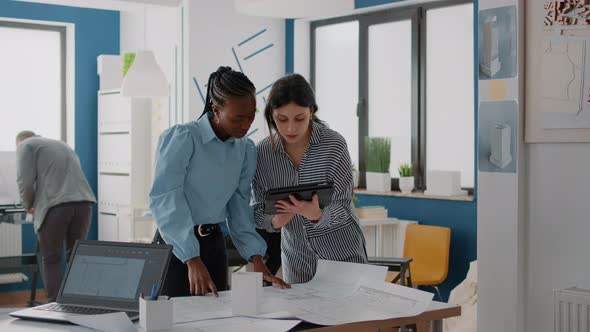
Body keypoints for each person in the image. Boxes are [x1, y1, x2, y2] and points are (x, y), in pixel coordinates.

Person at [149, 66, 289, 297]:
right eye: (238, 118)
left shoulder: (245, 149)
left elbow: (239, 207)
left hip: (214, 246)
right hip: (175, 248)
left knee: (217, 320)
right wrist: (191, 259)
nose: (246, 124)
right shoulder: (184, 138)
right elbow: (165, 199)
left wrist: (256, 259)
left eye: (251, 115)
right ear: (216, 109)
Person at [252, 73, 368, 284]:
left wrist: (317, 215)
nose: (291, 128)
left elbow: (343, 205)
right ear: (271, 115)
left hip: (343, 256)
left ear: (311, 111)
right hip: (297, 261)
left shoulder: (334, 145)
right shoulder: (263, 153)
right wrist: (276, 221)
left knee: (347, 317)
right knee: (301, 318)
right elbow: (258, 210)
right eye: (282, 119)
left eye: (299, 118)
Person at [15, 131, 96, 302]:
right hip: (84, 202)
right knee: (75, 256)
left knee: (51, 257)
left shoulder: (25, 146)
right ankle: (78, 303)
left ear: (19, 142)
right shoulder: (61, 144)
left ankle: (56, 306)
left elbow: (25, 181)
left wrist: (27, 205)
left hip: (56, 204)